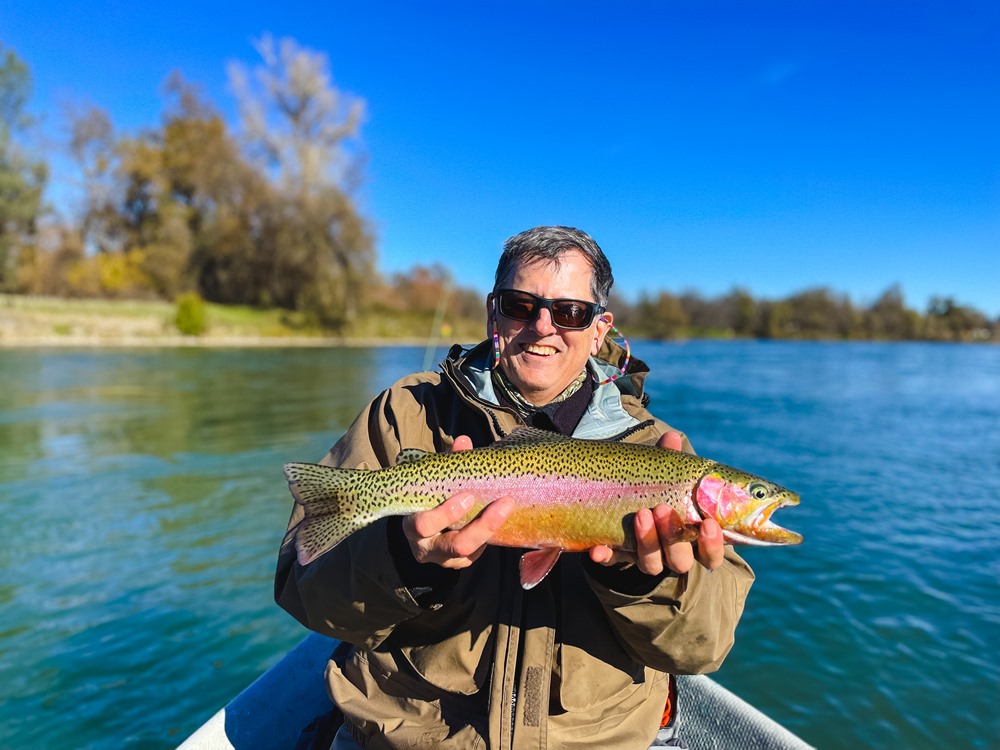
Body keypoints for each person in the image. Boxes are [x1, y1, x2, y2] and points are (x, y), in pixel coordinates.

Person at [275, 226, 755, 749]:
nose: (542, 326)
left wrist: (646, 580)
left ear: (599, 329)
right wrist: (404, 556)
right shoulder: (408, 413)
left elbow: (703, 648)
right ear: (493, 313)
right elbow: (304, 589)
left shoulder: (657, 447)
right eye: (521, 305)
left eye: (570, 311)